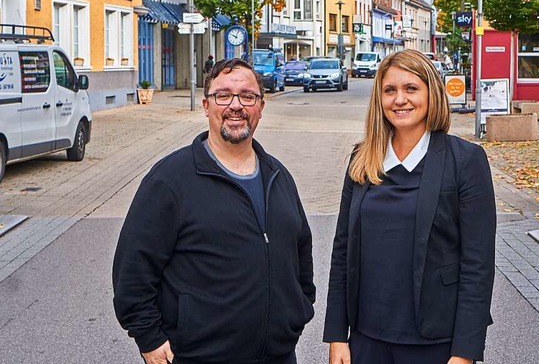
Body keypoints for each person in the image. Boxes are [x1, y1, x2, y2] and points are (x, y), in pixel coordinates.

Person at [113, 58, 315, 364]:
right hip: (199, 356)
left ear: (261, 107)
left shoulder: (278, 175)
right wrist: (149, 339)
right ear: (207, 106)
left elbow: (300, 251)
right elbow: (133, 269)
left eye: (247, 96)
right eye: (223, 96)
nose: (236, 106)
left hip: (278, 355)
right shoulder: (170, 180)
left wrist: (298, 309)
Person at [323, 49, 496, 364]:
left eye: (411, 89)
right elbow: (342, 251)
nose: (399, 99)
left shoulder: (465, 161)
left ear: (431, 93)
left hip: (435, 342)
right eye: (390, 90)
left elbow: (477, 264)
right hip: (367, 339)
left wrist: (465, 352)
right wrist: (337, 334)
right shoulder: (363, 159)